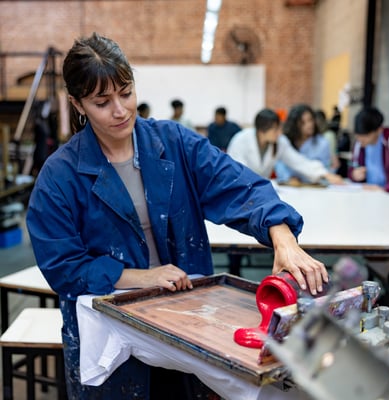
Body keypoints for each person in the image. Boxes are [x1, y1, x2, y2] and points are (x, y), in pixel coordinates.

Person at [26, 33, 329, 400]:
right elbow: (63, 266)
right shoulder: (60, 176)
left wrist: (282, 237)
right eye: (102, 102)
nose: (120, 110)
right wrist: (144, 277)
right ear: (77, 104)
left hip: (186, 315)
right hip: (114, 329)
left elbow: (238, 186)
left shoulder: (174, 144)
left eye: (126, 93)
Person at [227, 108, 343, 185]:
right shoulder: (240, 140)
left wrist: (324, 174)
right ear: (262, 130)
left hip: (259, 193)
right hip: (239, 193)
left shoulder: (280, 142)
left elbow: (298, 161)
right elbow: (239, 173)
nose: (279, 133)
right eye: (275, 129)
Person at [274, 104, 335, 184]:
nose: (309, 125)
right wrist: (288, 177)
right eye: (303, 122)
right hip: (289, 186)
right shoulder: (285, 141)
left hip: (313, 186)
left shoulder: (322, 143)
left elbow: (324, 169)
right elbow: (279, 163)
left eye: (310, 120)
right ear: (295, 124)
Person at [348, 106, 389, 196]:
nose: (361, 140)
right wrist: (354, 174)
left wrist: (385, 189)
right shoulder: (359, 144)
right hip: (367, 193)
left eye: (365, 136)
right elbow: (352, 168)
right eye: (358, 136)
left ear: (379, 130)